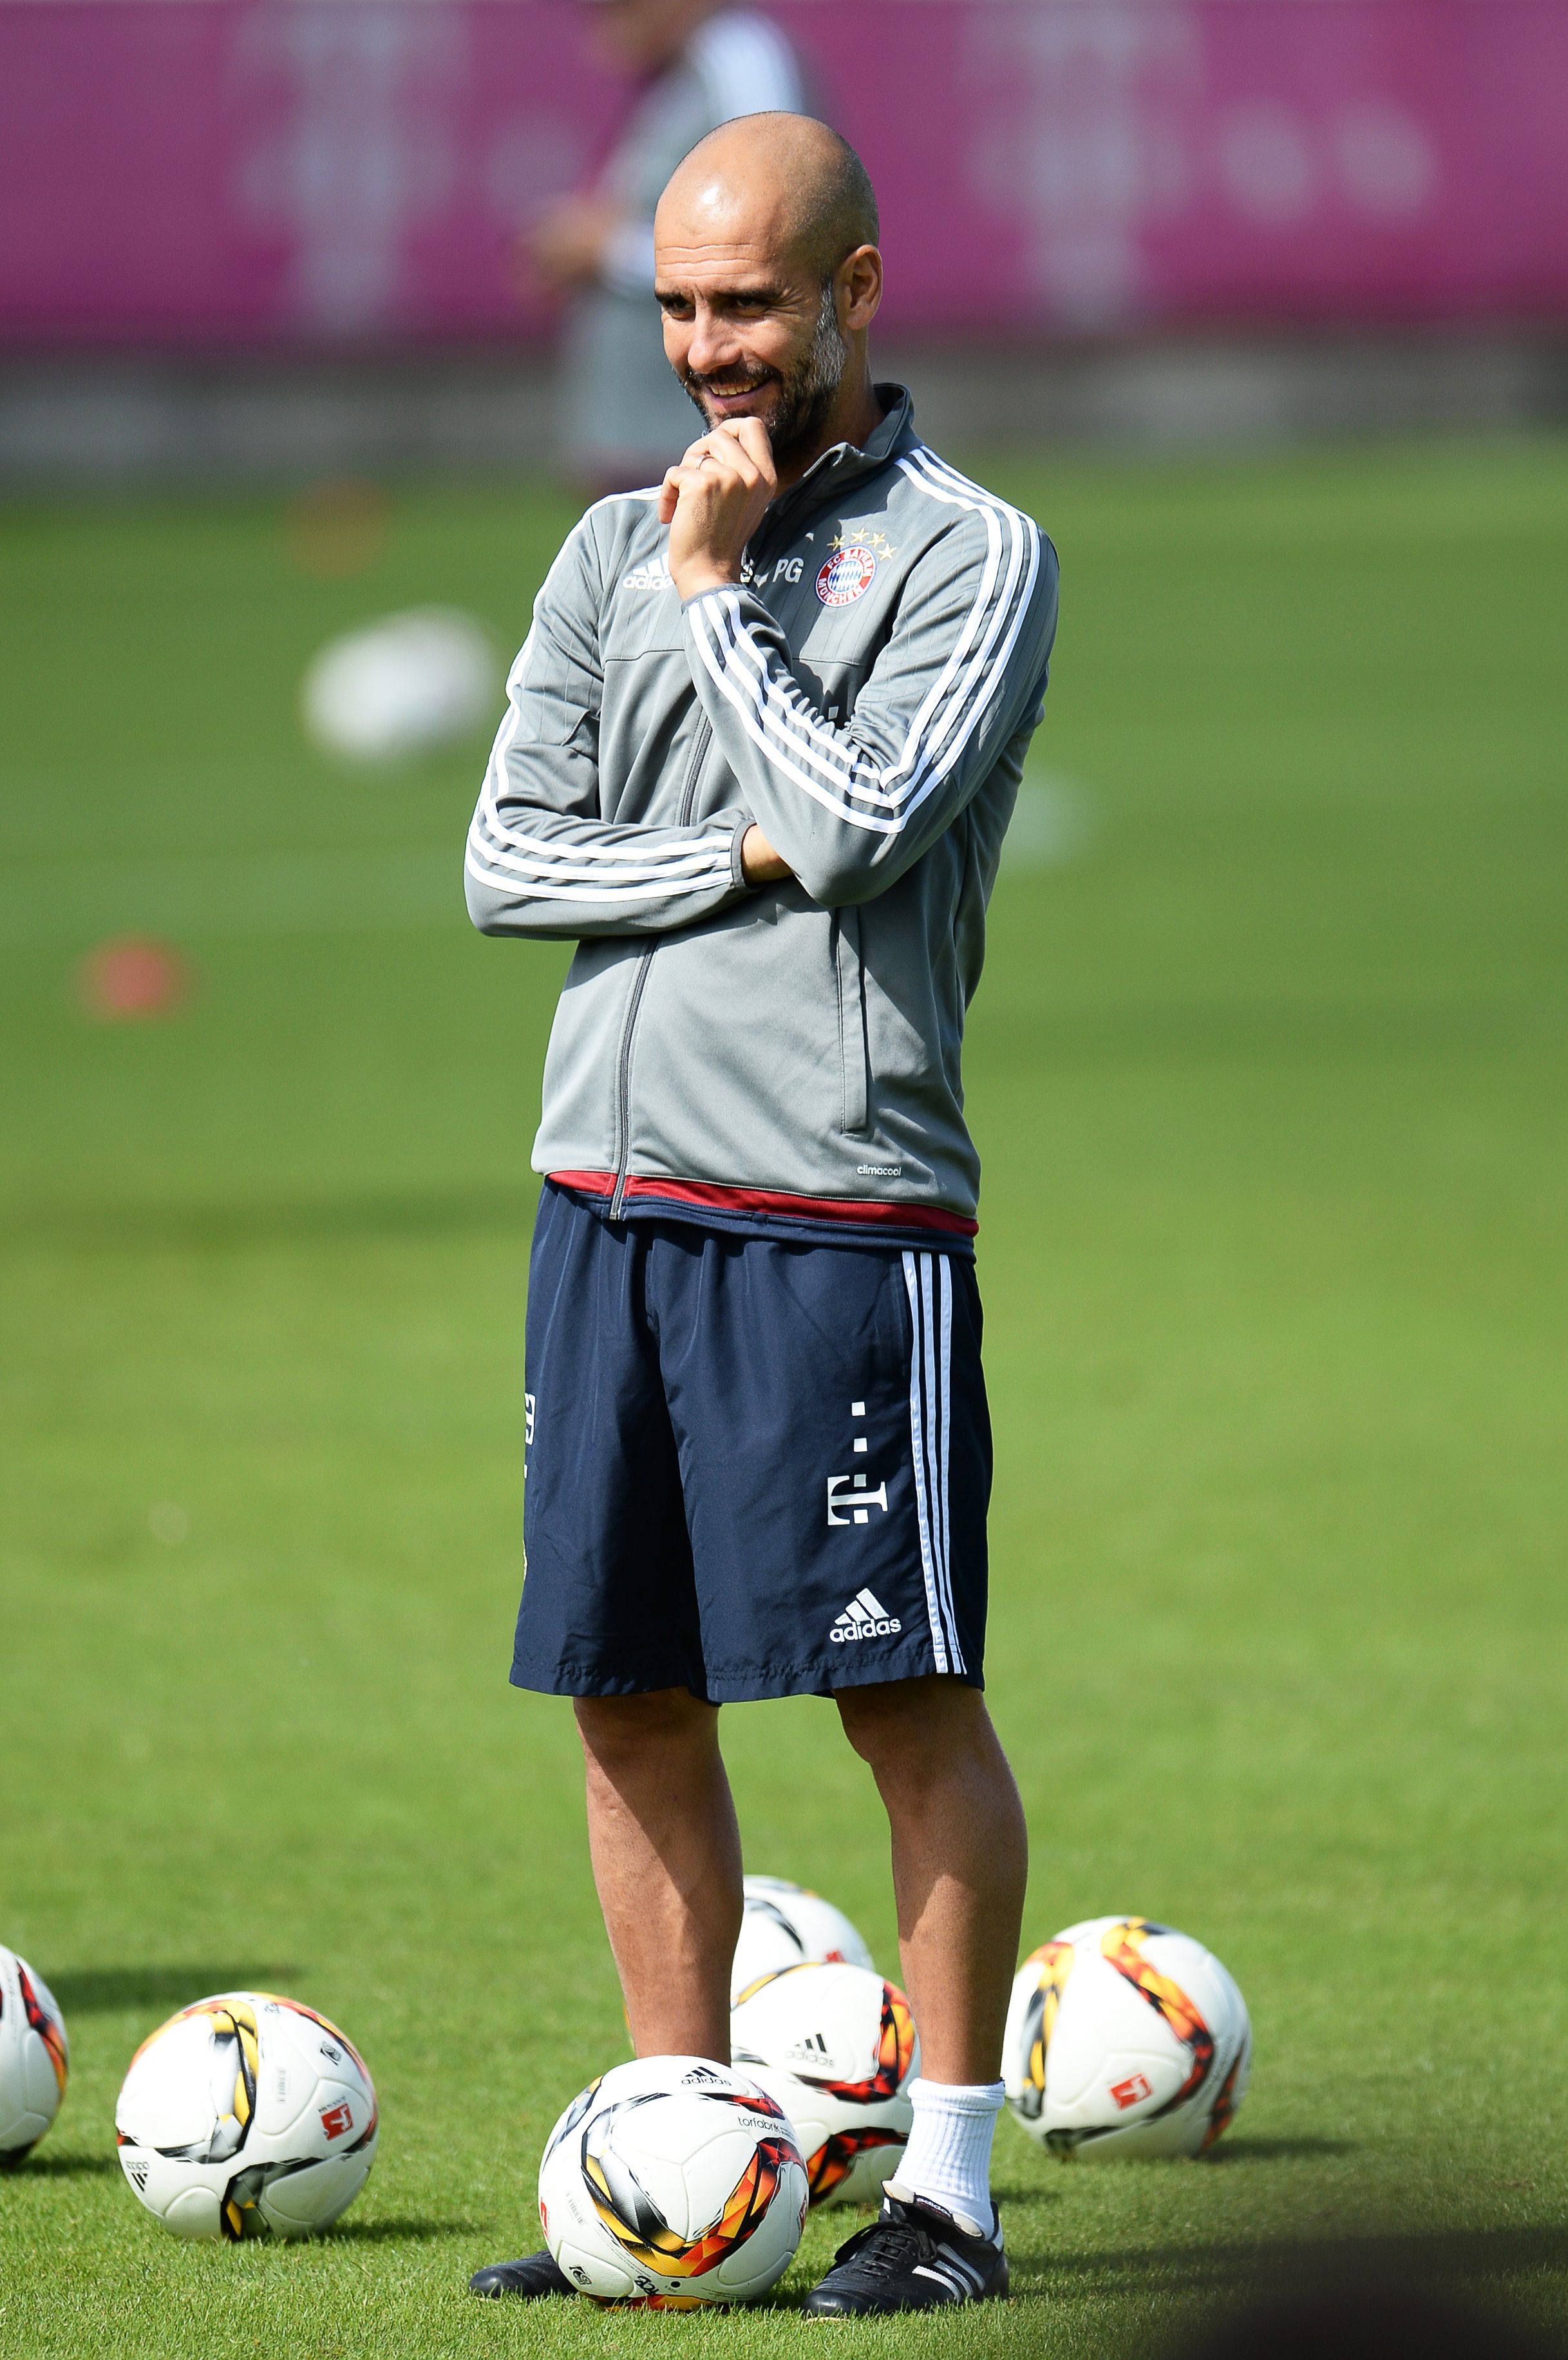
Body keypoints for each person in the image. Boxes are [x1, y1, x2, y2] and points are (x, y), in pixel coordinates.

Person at [465, 112, 1059, 2314]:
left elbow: (861, 823)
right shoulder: (600, 546)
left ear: (855, 292)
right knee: (624, 1694)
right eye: (677, 309)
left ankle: (948, 2198)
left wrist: (722, 603)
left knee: (902, 1698)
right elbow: (504, 859)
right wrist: (719, 855)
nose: (708, 349)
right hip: (601, 1203)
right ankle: (675, 2154)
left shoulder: (973, 555)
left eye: (747, 305)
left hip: (835, 1207)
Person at [527, 0, 807, 490]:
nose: (607, 23)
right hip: (655, 436)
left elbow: (770, 234)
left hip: (701, 438)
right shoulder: (686, 72)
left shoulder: (738, 56)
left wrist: (606, 251)